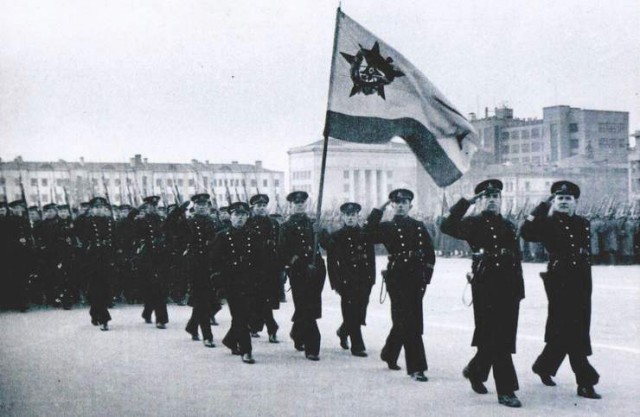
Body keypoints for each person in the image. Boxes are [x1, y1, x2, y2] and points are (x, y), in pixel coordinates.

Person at [440, 179, 524, 408]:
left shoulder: (509, 225)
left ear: (500, 200)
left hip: (508, 287)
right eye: (487, 197)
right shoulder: (472, 223)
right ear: (480, 201)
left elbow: (517, 259)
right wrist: (466, 202)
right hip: (485, 285)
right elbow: (446, 226)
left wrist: (520, 290)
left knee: (498, 336)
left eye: (496, 197)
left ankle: (476, 370)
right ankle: (506, 390)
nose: (492, 201)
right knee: (497, 338)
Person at [520, 181, 601, 400]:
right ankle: (585, 381)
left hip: (582, 277)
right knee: (573, 328)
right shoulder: (547, 222)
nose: (564, 202)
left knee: (569, 325)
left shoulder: (583, 222)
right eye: (560, 199)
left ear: (575, 202)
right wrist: (541, 207)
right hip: (559, 278)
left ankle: (544, 366)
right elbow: (525, 232)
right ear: (553, 202)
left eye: (568, 199)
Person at [365, 189, 435, 382]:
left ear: (410, 206)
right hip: (397, 278)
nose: (401, 205)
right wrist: (377, 211)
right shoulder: (387, 227)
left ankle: (389, 352)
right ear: (392, 205)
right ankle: (417, 368)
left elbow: (430, 254)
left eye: (405, 202)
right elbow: (367, 234)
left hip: (416, 278)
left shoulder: (419, 226)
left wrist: (426, 278)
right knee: (410, 322)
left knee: (404, 321)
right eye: (397, 202)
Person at [319, 202, 375, 357]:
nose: (350, 218)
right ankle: (357, 346)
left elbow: (371, 259)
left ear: (358, 216)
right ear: (343, 217)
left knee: (360, 311)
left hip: (364, 280)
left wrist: (372, 279)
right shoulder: (337, 236)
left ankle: (343, 331)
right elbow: (331, 262)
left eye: (353, 215)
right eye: (347, 215)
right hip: (346, 281)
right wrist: (335, 283)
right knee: (350, 311)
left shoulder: (364, 235)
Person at [279, 191, 327, 361]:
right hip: (300, 271)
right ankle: (312, 347)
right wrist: (299, 263)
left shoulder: (313, 223)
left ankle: (297, 333)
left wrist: (320, 232)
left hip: (318, 269)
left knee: (309, 305)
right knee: (306, 306)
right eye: (296, 203)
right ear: (291, 205)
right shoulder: (286, 226)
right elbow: (283, 251)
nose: (299, 205)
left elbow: (327, 244)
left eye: (302, 202)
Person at [214, 202, 263, 364]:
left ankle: (230, 340)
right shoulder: (222, 236)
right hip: (232, 282)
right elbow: (215, 261)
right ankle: (246, 350)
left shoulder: (255, 235)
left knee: (245, 316)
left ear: (248, 217)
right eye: (236, 215)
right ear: (230, 216)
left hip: (251, 282)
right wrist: (219, 283)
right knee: (240, 316)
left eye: (243, 215)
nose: (239, 218)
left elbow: (262, 260)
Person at [182, 194, 218, 348]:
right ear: (194, 206)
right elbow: (171, 229)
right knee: (202, 300)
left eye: (205, 204)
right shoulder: (189, 223)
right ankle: (207, 335)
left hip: (211, 265)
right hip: (195, 265)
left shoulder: (213, 222)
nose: (202, 207)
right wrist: (179, 210)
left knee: (208, 301)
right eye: (198, 204)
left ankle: (192, 325)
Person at [246, 194, 282, 343]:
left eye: (263, 206)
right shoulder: (248, 223)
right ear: (253, 208)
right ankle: (265, 327)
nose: (261, 208)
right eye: (258, 206)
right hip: (252, 267)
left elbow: (280, 246)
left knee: (266, 299)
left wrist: (282, 268)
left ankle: (266, 327)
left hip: (270, 267)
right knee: (256, 299)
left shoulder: (274, 224)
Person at [130, 196, 169, 329]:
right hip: (146, 258)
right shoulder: (140, 221)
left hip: (160, 257)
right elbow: (127, 224)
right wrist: (135, 210)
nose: (153, 208)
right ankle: (147, 312)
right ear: (145, 207)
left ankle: (161, 319)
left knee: (159, 287)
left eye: (155, 206)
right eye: (150, 206)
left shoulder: (161, 220)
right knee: (149, 287)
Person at [79, 197, 115, 331]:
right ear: (92, 209)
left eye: (102, 207)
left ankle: (95, 312)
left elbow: (115, 240)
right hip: (93, 259)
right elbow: (81, 237)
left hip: (108, 258)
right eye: (96, 207)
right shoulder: (87, 222)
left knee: (105, 290)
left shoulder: (110, 222)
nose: (99, 210)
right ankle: (104, 318)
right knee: (96, 289)